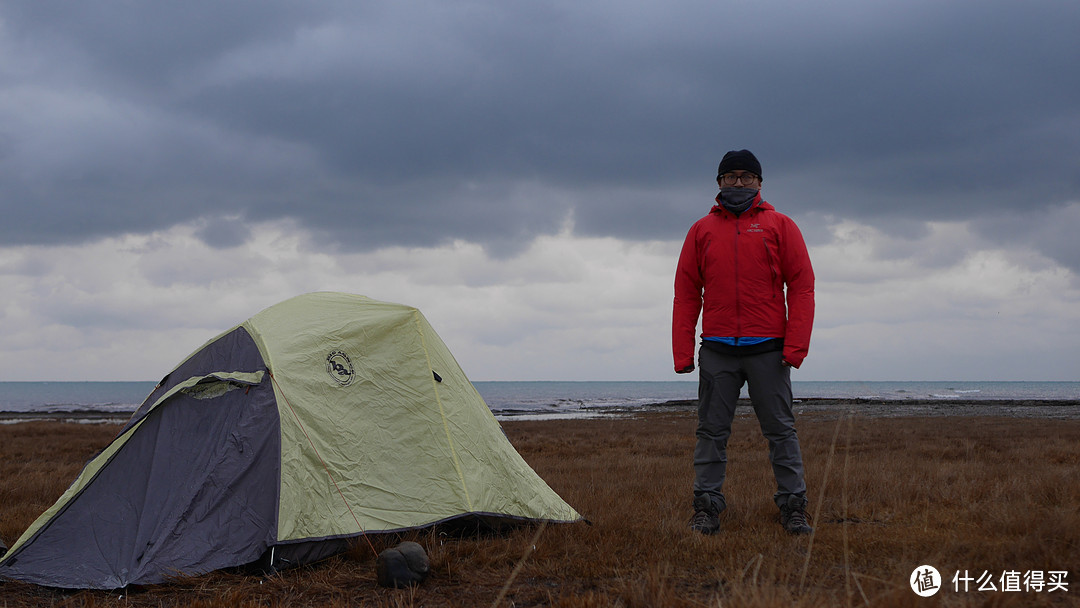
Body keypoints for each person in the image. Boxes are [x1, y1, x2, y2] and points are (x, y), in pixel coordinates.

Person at [672, 149, 815, 535]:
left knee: (781, 432)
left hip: (768, 349)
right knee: (711, 433)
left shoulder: (781, 226)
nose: (738, 183)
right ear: (719, 183)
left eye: (746, 177)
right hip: (717, 350)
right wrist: (683, 353)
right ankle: (706, 508)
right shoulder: (701, 230)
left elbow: (802, 286)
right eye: (731, 177)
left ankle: (793, 507)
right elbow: (686, 293)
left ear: (760, 183)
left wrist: (795, 348)